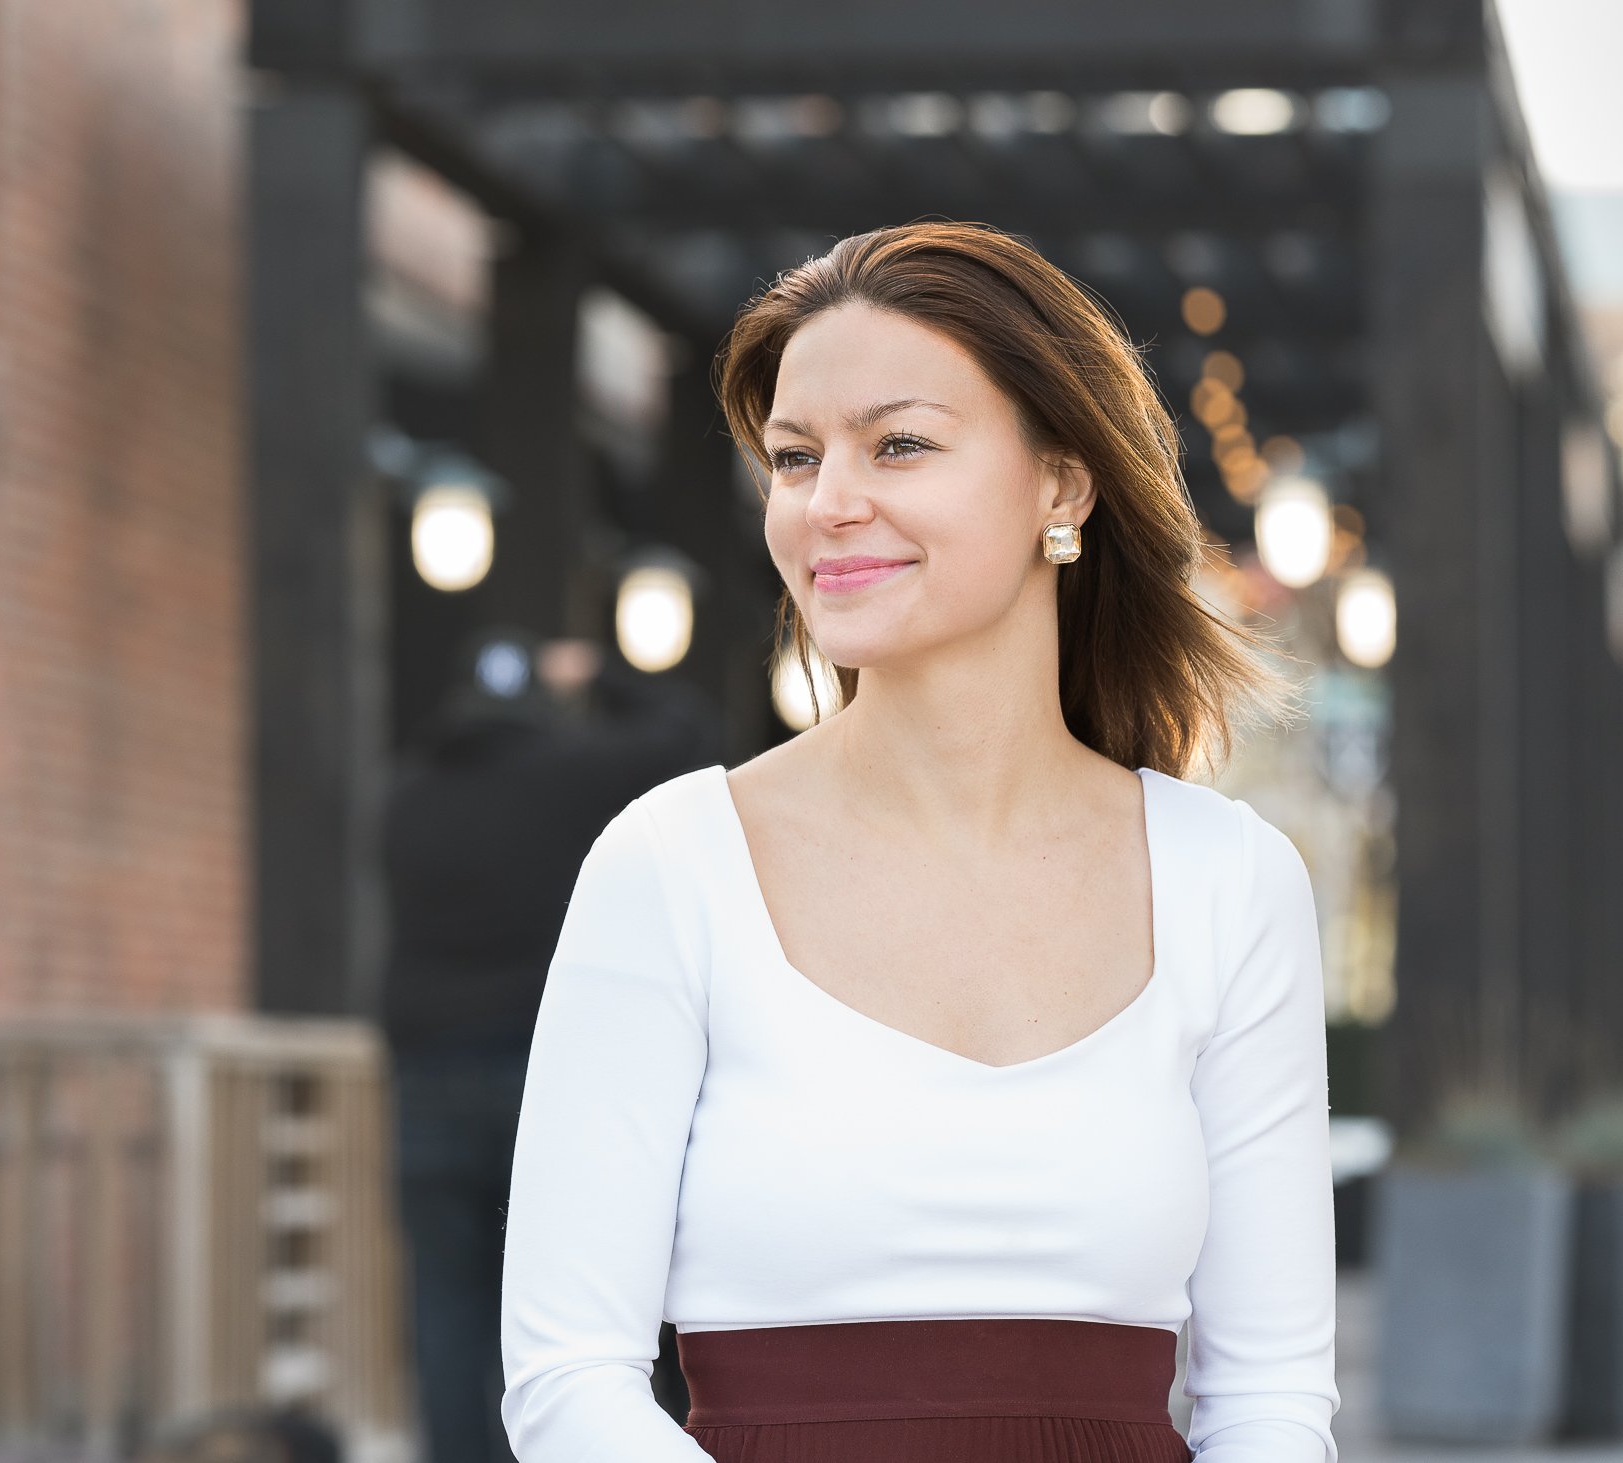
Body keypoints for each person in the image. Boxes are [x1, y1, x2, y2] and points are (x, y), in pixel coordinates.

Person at [498, 221, 1339, 1462]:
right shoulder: (670, 864)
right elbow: (568, 1378)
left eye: (897, 443)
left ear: (1062, 482)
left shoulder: (1227, 880)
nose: (829, 503)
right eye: (793, 458)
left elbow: (1269, 1400)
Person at [379, 625, 720, 1462]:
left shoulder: (404, 795)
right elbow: (693, 735)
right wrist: (604, 673)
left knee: (446, 1307)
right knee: (574, 1315)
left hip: (424, 1077)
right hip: (545, 1078)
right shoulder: (577, 776)